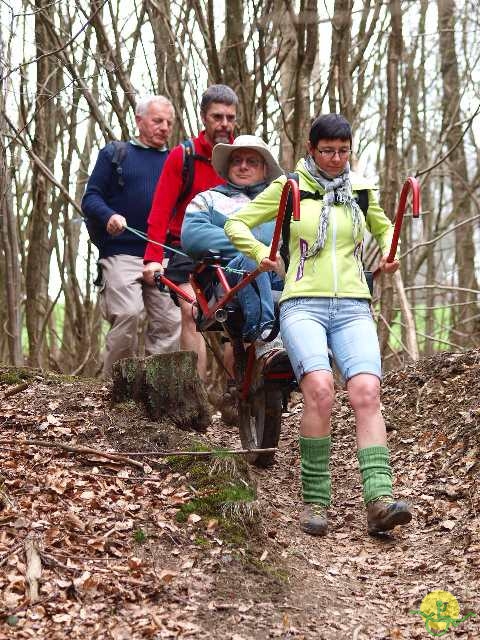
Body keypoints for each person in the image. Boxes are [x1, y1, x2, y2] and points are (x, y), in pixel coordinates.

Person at [225, 113, 413, 536]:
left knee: (367, 391)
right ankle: (315, 501)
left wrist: (388, 251)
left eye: (343, 151)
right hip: (302, 303)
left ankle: (380, 500)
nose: (335, 158)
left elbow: (385, 229)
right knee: (321, 391)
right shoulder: (290, 188)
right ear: (311, 150)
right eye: (327, 150)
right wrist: (261, 254)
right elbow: (236, 223)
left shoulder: (360, 190)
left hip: (352, 304)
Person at [143, 85, 238, 381]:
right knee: (191, 311)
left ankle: (240, 398)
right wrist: (153, 258)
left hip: (232, 249)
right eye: (217, 117)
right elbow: (160, 211)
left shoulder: (243, 158)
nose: (224, 124)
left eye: (230, 118)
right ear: (203, 118)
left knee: (240, 319)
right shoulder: (183, 156)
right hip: (185, 249)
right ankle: (195, 396)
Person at [81, 95, 181, 378]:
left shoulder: (176, 161)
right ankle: (113, 388)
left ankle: (153, 391)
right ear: (139, 121)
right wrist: (108, 216)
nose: (163, 127)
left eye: (168, 123)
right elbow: (91, 198)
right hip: (122, 253)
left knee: (170, 321)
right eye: (157, 120)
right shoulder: (116, 153)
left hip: (161, 255)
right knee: (127, 313)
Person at [180, 135, 285, 347]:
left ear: (265, 169)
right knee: (251, 258)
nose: (243, 166)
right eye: (237, 161)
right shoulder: (208, 199)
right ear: (228, 166)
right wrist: (254, 247)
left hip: (280, 274)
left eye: (252, 161)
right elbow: (193, 236)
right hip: (227, 277)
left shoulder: (281, 202)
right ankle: (265, 340)